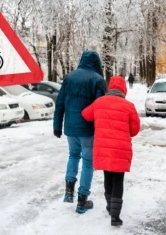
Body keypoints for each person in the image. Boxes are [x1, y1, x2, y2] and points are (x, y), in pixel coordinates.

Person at [81, 76, 140, 226]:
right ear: (124, 89)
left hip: (103, 148)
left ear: (110, 87)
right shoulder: (129, 106)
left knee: (108, 177)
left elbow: (85, 115)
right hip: (121, 150)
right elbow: (134, 130)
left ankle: (109, 206)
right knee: (118, 180)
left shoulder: (99, 102)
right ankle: (115, 216)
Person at [53, 50, 107, 214]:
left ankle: (69, 192)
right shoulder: (98, 80)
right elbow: (100, 108)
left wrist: (57, 125)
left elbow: (60, 103)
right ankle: (82, 200)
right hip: (88, 128)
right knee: (88, 162)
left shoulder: (69, 77)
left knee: (73, 155)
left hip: (70, 127)